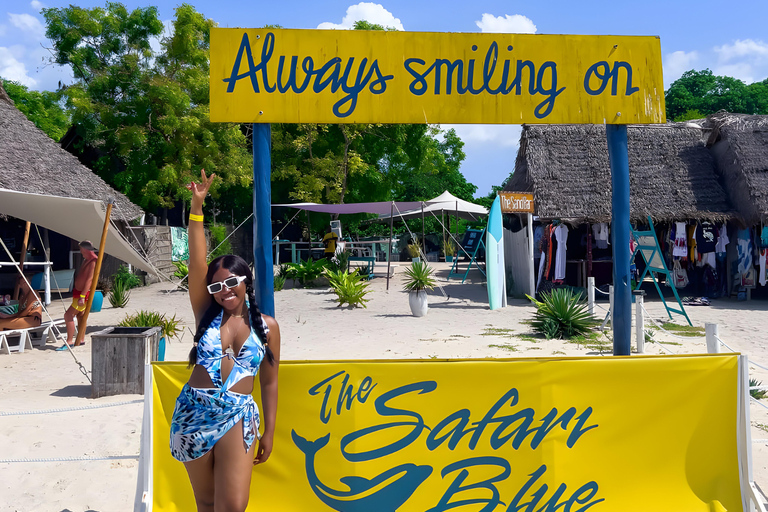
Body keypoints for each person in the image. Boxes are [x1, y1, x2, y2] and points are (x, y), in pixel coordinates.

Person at [169, 169, 280, 512]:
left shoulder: (268, 325)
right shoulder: (205, 311)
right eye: (215, 287)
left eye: (231, 283)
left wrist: (270, 432)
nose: (223, 292)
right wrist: (197, 207)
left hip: (238, 415)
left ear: (246, 280)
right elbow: (197, 260)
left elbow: (270, 381)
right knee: (204, 503)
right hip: (193, 412)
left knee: (232, 506)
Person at [63, 240, 98, 346]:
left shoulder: (93, 261)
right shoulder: (86, 259)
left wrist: (82, 296)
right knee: (81, 316)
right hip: (78, 292)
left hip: (83, 294)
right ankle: (81, 339)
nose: (80, 252)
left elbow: (89, 280)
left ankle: (69, 341)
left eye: (81, 249)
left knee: (68, 315)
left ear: (85, 249)